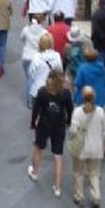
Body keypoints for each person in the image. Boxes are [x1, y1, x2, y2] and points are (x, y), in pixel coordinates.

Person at [28, 68, 73, 197]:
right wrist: (68, 122)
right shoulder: (65, 94)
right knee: (58, 155)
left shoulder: (42, 92)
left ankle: (35, 172)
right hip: (59, 126)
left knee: (38, 148)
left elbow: (35, 110)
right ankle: (57, 187)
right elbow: (70, 109)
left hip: (44, 125)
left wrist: (33, 124)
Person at [68, 86, 105, 208]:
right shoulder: (100, 111)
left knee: (78, 173)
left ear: (82, 97)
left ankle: (79, 197)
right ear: (94, 97)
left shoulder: (77, 112)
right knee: (94, 174)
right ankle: (96, 197)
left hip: (81, 149)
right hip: (96, 148)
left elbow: (73, 131)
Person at [28, 32, 64, 110]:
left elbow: (31, 74)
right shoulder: (57, 56)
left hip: (38, 88)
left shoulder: (36, 57)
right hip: (53, 88)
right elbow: (60, 71)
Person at [20, 14, 47, 106]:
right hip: (38, 57)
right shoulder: (43, 32)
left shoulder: (26, 29)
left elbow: (21, 38)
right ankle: (37, 99)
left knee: (29, 78)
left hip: (26, 56)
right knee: (38, 78)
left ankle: (29, 100)